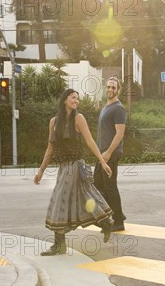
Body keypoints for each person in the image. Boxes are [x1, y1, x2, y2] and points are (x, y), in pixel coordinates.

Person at [34, 88, 114, 256]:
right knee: (83, 198)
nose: (76, 100)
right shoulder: (54, 122)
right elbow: (50, 148)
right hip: (63, 168)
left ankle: (59, 245)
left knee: (60, 201)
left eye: (77, 98)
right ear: (64, 100)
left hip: (75, 166)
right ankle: (105, 222)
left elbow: (90, 141)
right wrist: (41, 170)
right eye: (73, 97)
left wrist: (102, 161)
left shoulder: (78, 118)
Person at [94, 77, 127, 232]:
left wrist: (108, 153)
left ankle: (118, 220)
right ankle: (115, 213)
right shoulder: (106, 107)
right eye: (108, 87)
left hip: (110, 154)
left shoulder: (118, 108)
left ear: (118, 90)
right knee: (98, 185)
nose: (110, 90)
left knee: (110, 187)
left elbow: (120, 134)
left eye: (113, 87)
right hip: (102, 154)